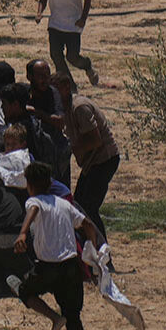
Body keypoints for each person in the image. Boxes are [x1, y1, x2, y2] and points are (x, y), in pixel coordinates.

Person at [10, 161, 99, 330]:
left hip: (48, 267)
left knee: (23, 290)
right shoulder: (64, 204)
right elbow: (88, 225)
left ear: (29, 185)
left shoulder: (34, 200)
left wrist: (22, 233)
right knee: (74, 315)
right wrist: (93, 251)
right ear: (50, 183)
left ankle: (53, 318)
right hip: (71, 267)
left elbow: (34, 209)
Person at [53, 72, 119, 240]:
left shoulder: (79, 107)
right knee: (79, 206)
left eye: (56, 90)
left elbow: (95, 140)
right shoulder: (64, 109)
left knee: (89, 208)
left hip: (103, 160)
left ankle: (102, 252)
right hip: (91, 163)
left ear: (67, 88)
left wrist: (70, 148)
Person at [37, 0, 99, 88]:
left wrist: (83, 19)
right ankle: (69, 86)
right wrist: (39, 12)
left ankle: (87, 65)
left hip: (73, 25)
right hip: (55, 25)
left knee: (72, 58)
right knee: (56, 55)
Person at [26, 59, 72, 187]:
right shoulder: (25, 93)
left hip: (55, 154)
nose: (44, 79)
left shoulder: (53, 93)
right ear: (29, 77)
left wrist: (35, 112)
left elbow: (59, 122)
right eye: (40, 76)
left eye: (47, 75)